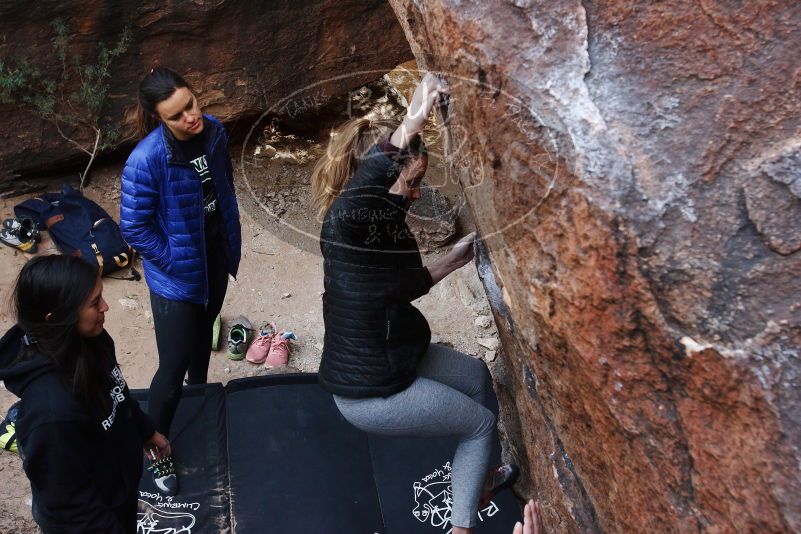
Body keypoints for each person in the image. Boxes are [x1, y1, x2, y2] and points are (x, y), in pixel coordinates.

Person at [312, 73, 518, 534]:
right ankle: (463, 523)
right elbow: (364, 189)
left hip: (395, 354)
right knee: (479, 425)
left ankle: (478, 477)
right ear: (376, 181)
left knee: (474, 376)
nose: (419, 192)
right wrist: (413, 117)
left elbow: (399, 288)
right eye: (412, 182)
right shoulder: (344, 226)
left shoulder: (383, 226)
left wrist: (451, 262)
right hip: (371, 391)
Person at [120, 67, 241, 495]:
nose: (191, 117)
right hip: (176, 276)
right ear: (159, 120)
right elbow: (133, 227)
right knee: (171, 367)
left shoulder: (215, 131)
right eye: (177, 115)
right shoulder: (147, 159)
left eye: (191, 104)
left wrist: (227, 237)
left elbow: (222, 185)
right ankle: (156, 448)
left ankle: (202, 400)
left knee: (200, 348)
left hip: (213, 257)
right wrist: (172, 259)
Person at [0, 255, 169, 534]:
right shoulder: (51, 415)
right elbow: (72, 511)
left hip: (118, 494)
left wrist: (145, 431)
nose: (106, 306)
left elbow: (117, 392)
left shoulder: (93, 340)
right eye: (94, 303)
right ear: (57, 318)